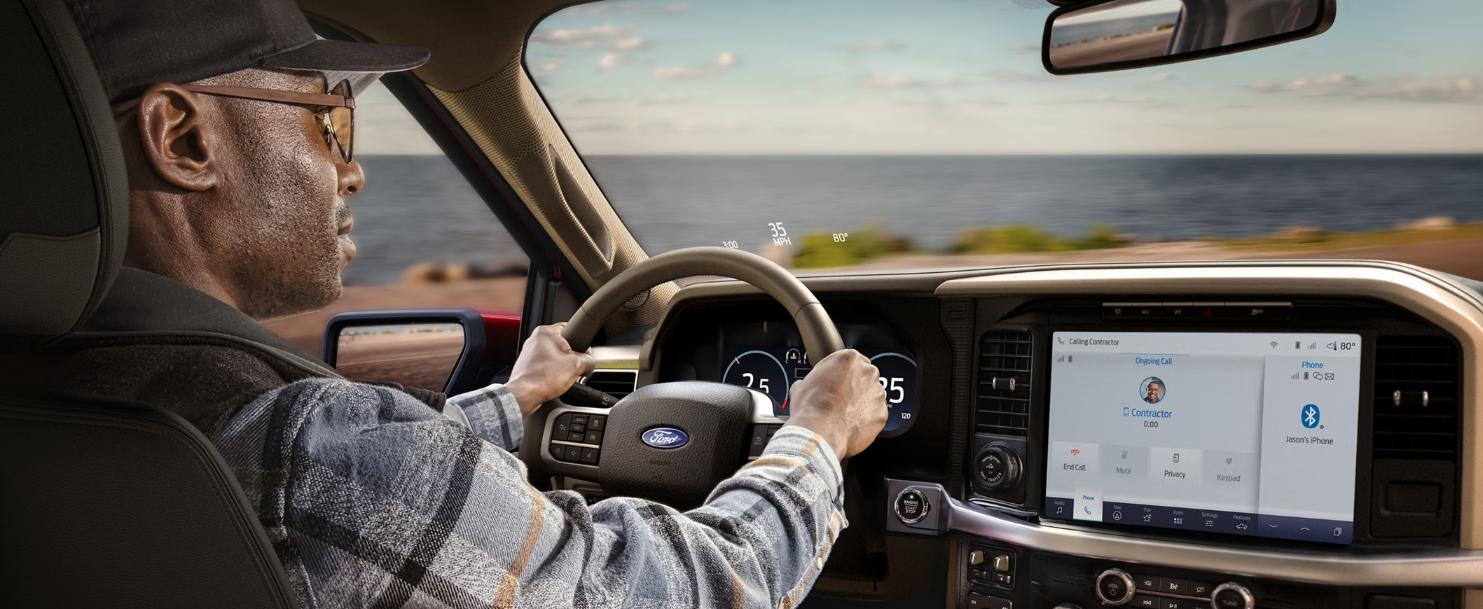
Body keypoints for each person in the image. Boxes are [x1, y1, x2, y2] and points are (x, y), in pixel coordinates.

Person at [5, 0, 890, 607]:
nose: (351, 168)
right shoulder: (317, 455)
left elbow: (382, 488)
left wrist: (518, 399)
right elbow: (696, 585)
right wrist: (814, 436)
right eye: (331, 118)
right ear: (184, 138)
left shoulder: (52, 398)